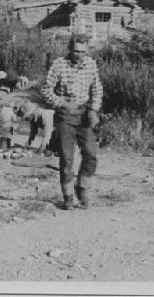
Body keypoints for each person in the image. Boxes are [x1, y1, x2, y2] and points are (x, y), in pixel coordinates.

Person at [42, 35, 103, 210]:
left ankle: (82, 188)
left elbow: (97, 88)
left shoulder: (91, 64)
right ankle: (68, 196)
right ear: (70, 49)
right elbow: (46, 90)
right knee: (67, 158)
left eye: (83, 51)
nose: (80, 55)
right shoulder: (59, 64)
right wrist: (63, 104)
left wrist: (93, 109)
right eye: (76, 51)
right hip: (65, 116)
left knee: (91, 155)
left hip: (84, 114)